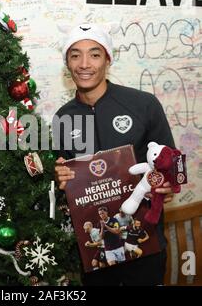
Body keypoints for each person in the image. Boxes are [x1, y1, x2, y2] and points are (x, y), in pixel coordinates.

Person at [53, 22, 175, 286]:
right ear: (67, 63)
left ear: (107, 59)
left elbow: (171, 165)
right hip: (95, 249)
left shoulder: (144, 105)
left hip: (144, 242)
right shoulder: (63, 117)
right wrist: (60, 178)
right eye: (75, 55)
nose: (85, 64)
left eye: (94, 54)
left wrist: (166, 182)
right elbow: (64, 177)